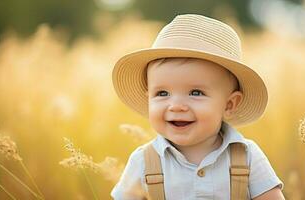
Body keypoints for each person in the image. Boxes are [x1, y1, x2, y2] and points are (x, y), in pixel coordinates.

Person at [111, 14, 285, 200]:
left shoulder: (247, 156)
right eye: (162, 93)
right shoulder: (144, 162)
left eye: (195, 93)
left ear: (229, 104)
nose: (176, 106)